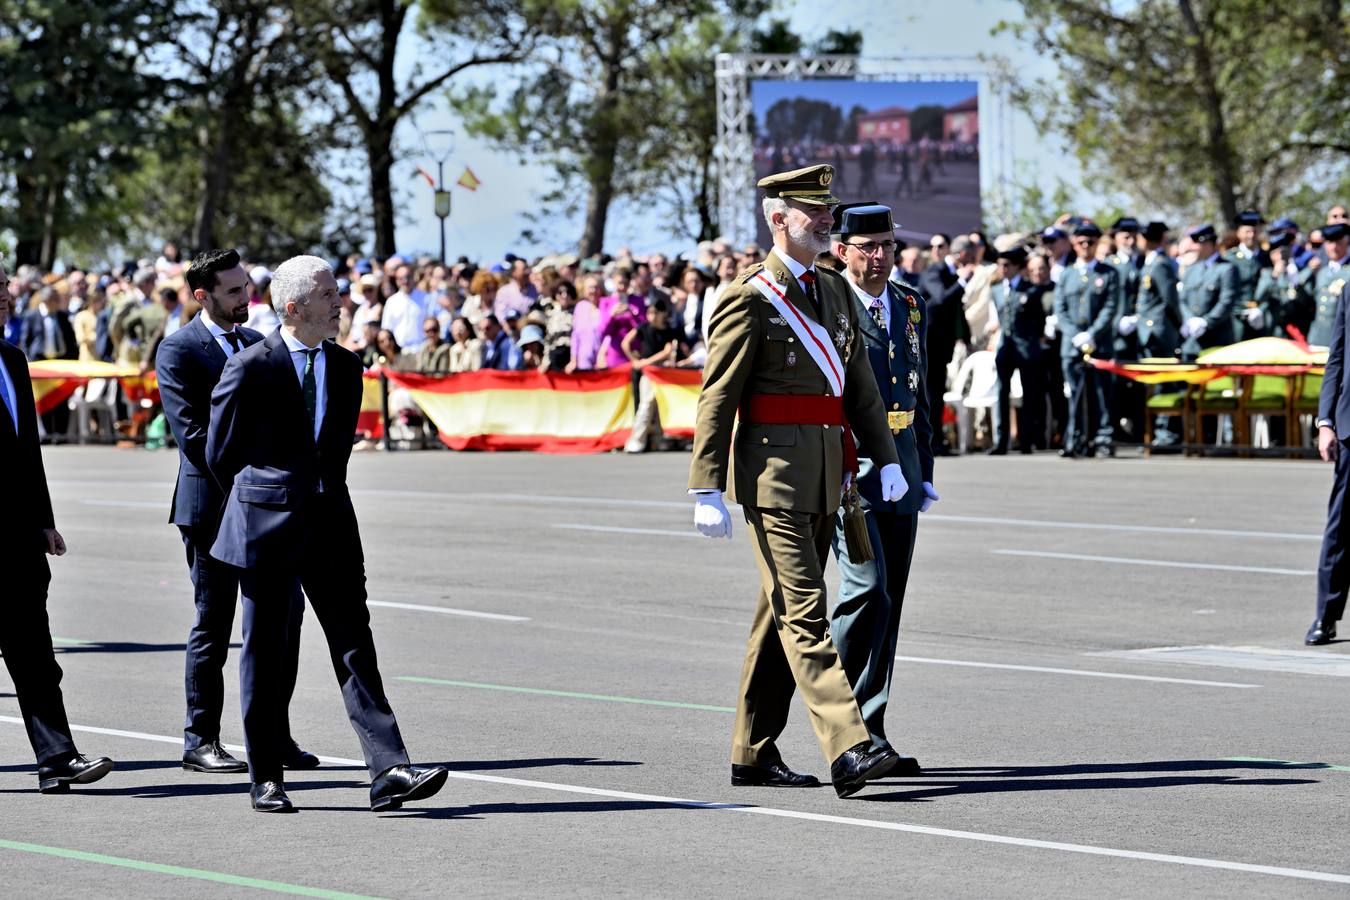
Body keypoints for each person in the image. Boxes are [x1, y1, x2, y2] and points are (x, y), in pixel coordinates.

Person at [687, 164, 907, 799]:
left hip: (827, 475)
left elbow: (857, 386)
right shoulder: (749, 295)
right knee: (805, 613)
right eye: (812, 211)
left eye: (828, 209)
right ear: (777, 219)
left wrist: (885, 457)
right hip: (773, 478)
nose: (825, 219)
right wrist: (705, 484)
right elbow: (718, 394)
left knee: (775, 615)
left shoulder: (835, 292)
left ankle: (751, 751)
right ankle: (850, 744)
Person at [206, 255, 447, 813]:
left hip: (331, 527)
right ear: (293, 307)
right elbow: (219, 454)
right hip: (266, 529)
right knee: (265, 654)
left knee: (355, 646)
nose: (339, 302)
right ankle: (266, 775)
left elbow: (333, 453)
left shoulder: (346, 367)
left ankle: (389, 770)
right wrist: (262, 497)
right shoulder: (250, 366)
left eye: (337, 292)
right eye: (327, 294)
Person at [156, 249, 316, 775]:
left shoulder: (257, 345)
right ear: (202, 296)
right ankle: (200, 737)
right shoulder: (179, 350)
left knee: (282, 621)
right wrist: (254, 479)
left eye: (246, 286)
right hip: (211, 508)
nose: (245, 297)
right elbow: (194, 438)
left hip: (266, 510)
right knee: (214, 622)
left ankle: (273, 737)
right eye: (232, 291)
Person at [828, 203, 936, 767]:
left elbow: (923, 395)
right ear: (841, 251)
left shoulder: (912, 305)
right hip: (853, 471)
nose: (878, 257)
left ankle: (872, 727)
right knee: (865, 588)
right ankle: (835, 714)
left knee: (889, 603)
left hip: (904, 470)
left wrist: (926, 470)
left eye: (886, 246)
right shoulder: (829, 306)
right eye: (866, 247)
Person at [0, 260, 114, 793]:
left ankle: (57, 759)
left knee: (36, 658)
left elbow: (28, 453)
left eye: (5, 288)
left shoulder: (13, 359)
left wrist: (44, 521)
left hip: (17, 540)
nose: (5, 297)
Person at [1053, 222, 1120, 458]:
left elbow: (1110, 307)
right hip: (1072, 346)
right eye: (1081, 241)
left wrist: (1092, 333)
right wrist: (1075, 335)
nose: (1086, 246)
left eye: (1091, 242)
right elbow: (1060, 310)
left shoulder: (1108, 273)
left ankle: (1103, 439)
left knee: (1102, 395)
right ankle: (1075, 439)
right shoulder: (1067, 275)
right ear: (1073, 243)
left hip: (1098, 344)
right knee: (1074, 395)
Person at [1125, 221, 1184, 445]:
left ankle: (1165, 433)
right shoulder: (1150, 262)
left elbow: (1169, 299)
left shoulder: (1160, 264)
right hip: (1148, 330)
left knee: (1162, 383)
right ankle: (1157, 432)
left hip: (1159, 332)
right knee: (1152, 384)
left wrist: (1178, 325)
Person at [918, 234, 973, 455]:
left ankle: (937, 441)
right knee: (930, 392)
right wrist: (962, 282)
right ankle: (931, 442)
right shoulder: (935, 271)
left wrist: (965, 338)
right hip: (929, 341)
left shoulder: (950, 273)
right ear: (962, 254)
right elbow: (940, 299)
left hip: (942, 343)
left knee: (937, 392)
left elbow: (956, 310)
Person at [990, 246, 1048, 454]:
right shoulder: (996, 289)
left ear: (1016, 267)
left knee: (1029, 394)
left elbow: (1039, 319)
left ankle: (1026, 440)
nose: (1002, 269)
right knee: (1001, 393)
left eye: (1007, 265)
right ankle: (1001, 441)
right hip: (1005, 347)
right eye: (1000, 265)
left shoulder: (1030, 289)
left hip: (1026, 347)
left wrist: (1032, 339)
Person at [1178, 224, 1239, 358]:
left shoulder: (1226, 268)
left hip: (1216, 338)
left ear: (1208, 244)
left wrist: (1206, 322)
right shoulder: (1191, 269)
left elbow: (1226, 301)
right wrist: (1189, 319)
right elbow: (1182, 299)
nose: (1193, 248)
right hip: (1191, 341)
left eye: (1196, 244)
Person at [1302, 222, 1350, 346]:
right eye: (1329, 243)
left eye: (1338, 242)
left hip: (1343, 338)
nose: (1333, 247)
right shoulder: (1321, 271)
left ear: (1347, 242)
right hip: (1318, 337)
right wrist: (1308, 271)